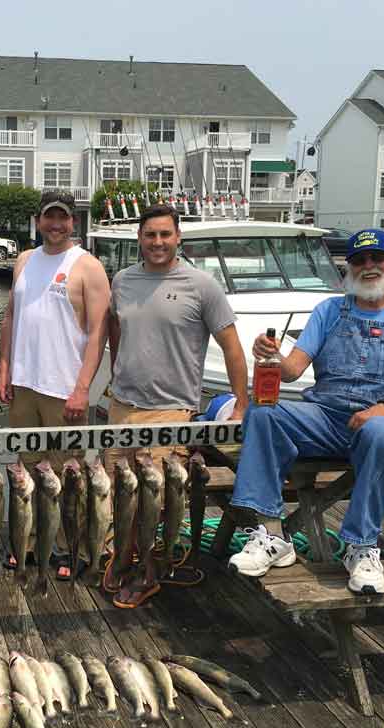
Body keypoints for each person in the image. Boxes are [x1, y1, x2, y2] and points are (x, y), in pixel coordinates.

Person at [227, 228, 384, 595]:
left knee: (379, 433)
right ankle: (271, 533)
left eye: (377, 258)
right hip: (328, 419)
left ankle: (361, 547)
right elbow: (293, 370)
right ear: (348, 269)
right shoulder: (330, 310)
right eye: (359, 260)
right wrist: (271, 355)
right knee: (263, 412)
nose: (369, 266)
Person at [104, 203, 249, 608]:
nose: (157, 242)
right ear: (139, 238)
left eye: (165, 234)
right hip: (122, 406)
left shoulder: (202, 286)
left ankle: (149, 572)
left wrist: (241, 405)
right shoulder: (123, 280)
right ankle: (123, 558)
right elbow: (117, 330)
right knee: (121, 495)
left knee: (160, 502)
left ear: (178, 237)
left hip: (172, 410)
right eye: (150, 235)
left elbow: (233, 348)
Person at [0, 190, 111, 578]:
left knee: (68, 472)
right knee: (27, 470)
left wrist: (83, 388)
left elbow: (99, 333)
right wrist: (3, 368)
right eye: (49, 217)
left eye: (63, 218)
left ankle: (67, 547)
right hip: (24, 385)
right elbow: (11, 316)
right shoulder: (25, 261)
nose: (56, 224)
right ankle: (28, 542)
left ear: (73, 222)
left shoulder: (88, 266)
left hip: (65, 389)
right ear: (38, 220)